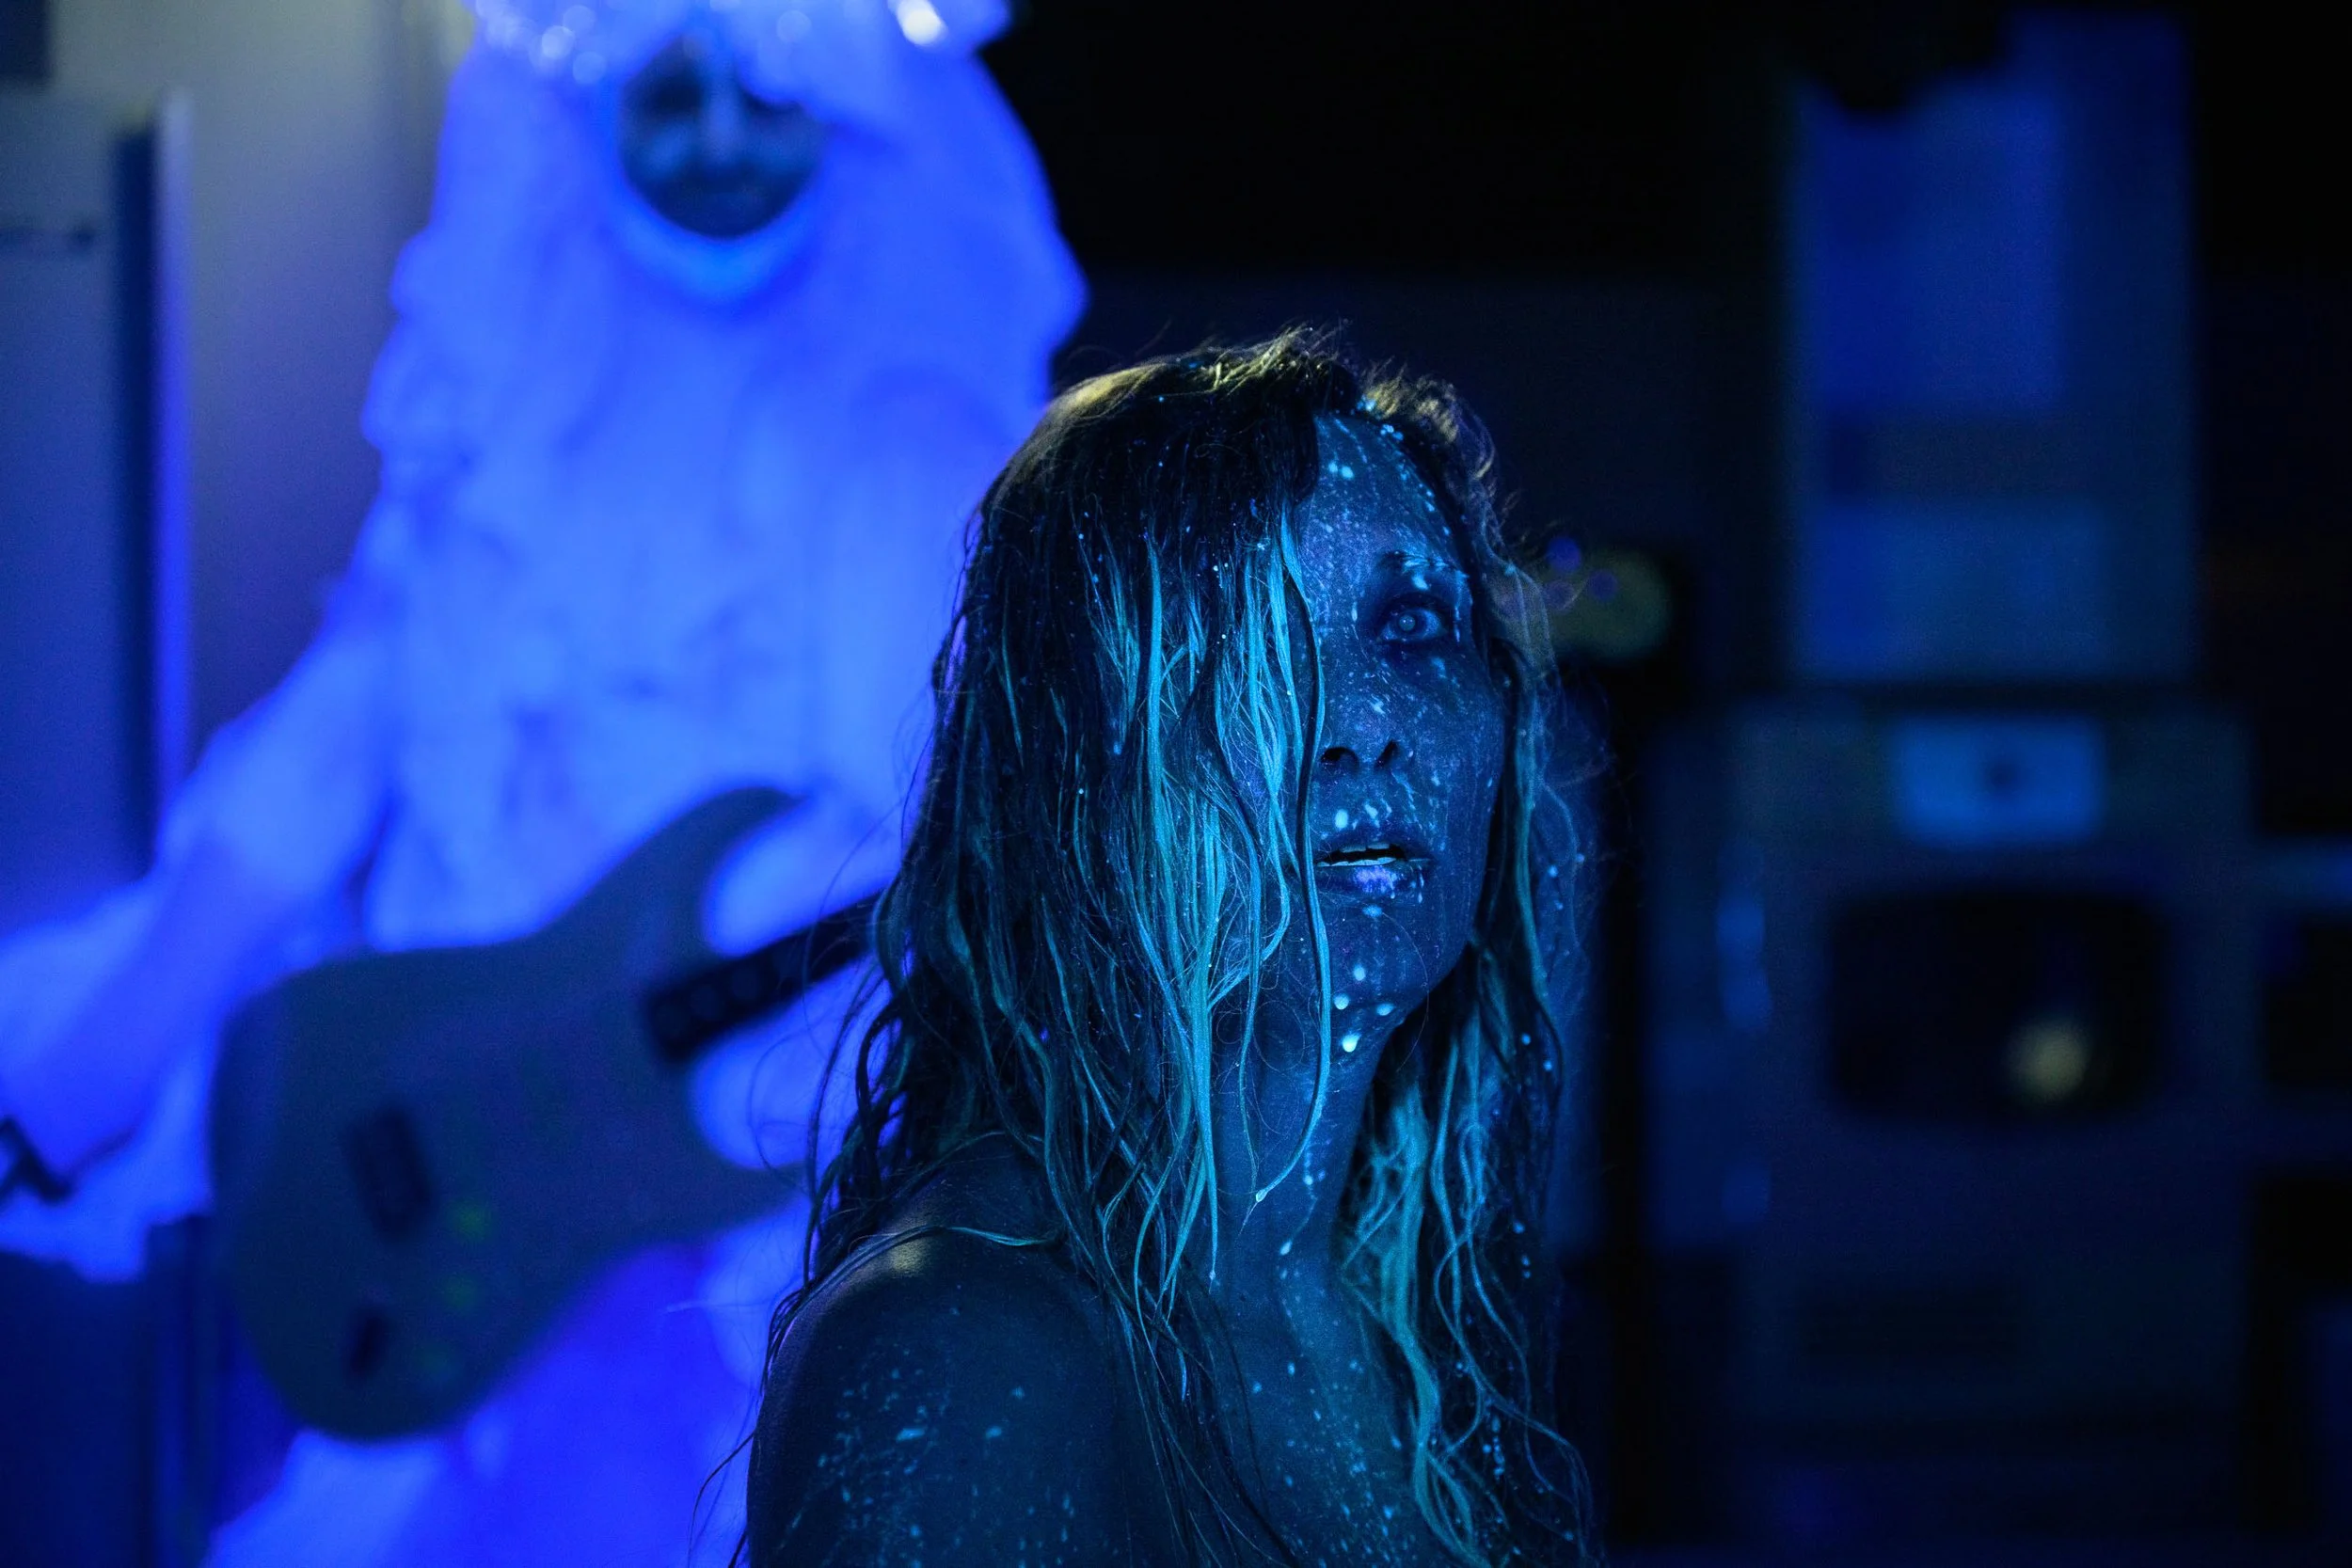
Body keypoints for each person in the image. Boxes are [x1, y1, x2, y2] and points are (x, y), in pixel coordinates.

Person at [0, 0, 1080, 1561]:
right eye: (669, 94)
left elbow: (940, 835)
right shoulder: (516, 406)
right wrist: (114, 1042)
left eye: (770, 98)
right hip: (460, 1159)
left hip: (768, 1213)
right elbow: (345, 720)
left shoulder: (915, 450)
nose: (719, 143)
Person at [748, 334, 1598, 1567]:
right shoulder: (963, 1347)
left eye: (1412, 625)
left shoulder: (1414, 1328)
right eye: (1251, 634)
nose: (1364, 723)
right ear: (1076, 756)